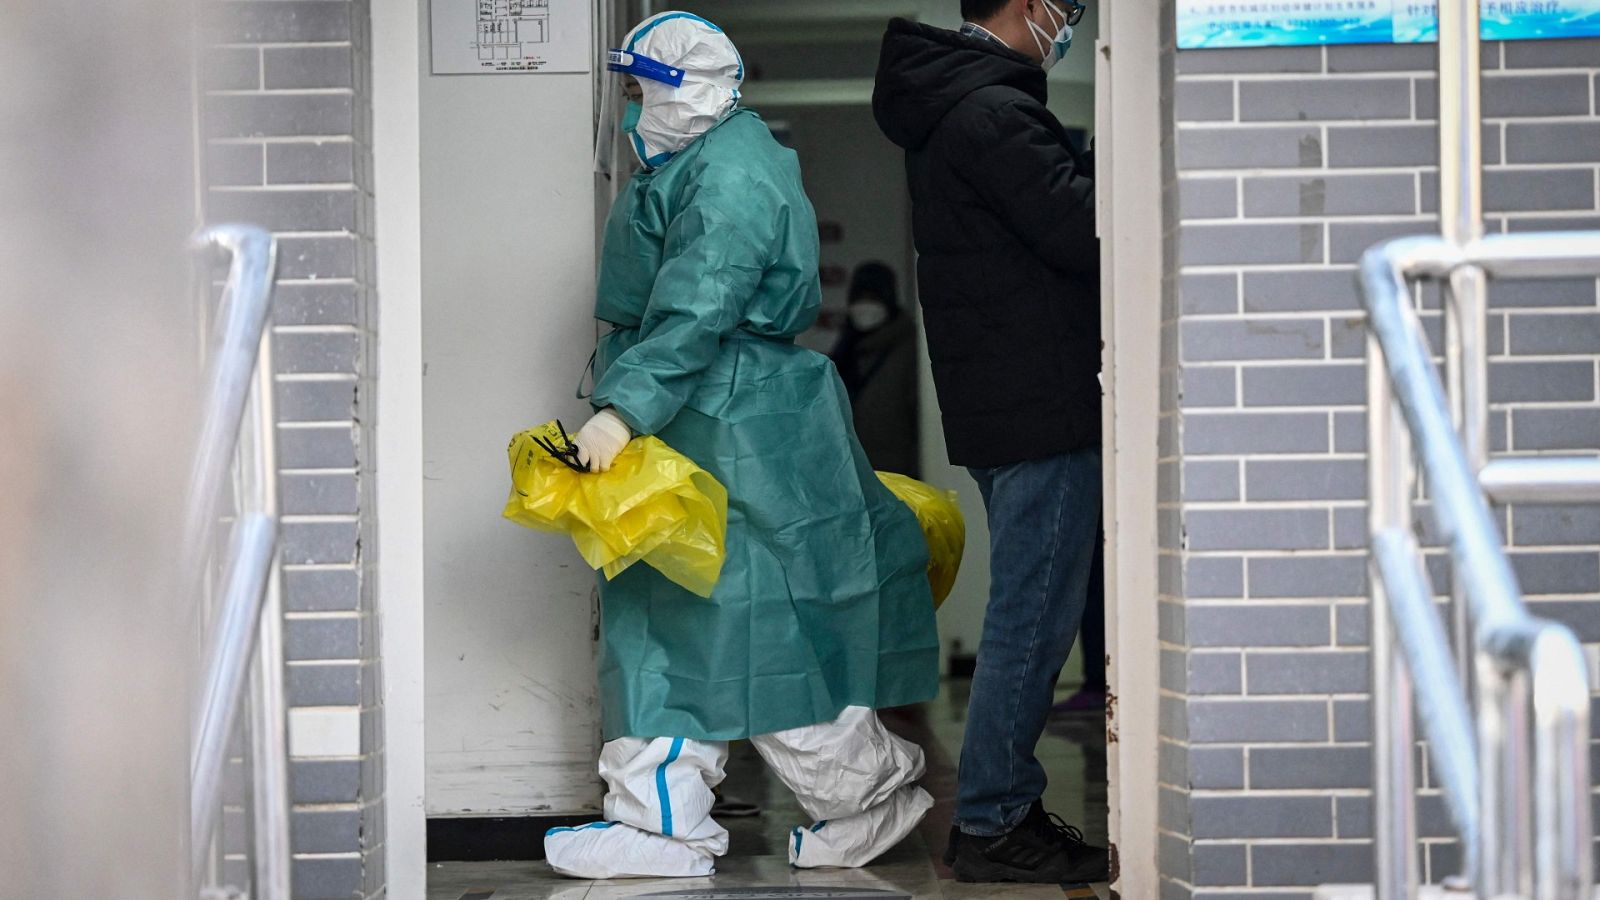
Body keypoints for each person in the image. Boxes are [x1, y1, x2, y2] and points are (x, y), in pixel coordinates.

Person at [543, 11, 942, 880]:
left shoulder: (729, 174)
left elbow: (702, 299)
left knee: (727, 628)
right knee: (709, 627)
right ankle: (682, 815)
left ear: (687, 89)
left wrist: (623, 410)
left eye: (642, 89)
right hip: (717, 415)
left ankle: (812, 801)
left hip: (719, 415)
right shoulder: (716, 160)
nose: (631, 108)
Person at [873, 0, 1109, 885]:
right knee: (1032, 615)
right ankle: (995, 819)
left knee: (1031, 610)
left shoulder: (964, 104)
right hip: (1037, 402)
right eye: (1065, 8)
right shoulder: (995, 111)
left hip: (1009, 396)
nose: (1070, 20)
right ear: (1022, 7)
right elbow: (1084, 230)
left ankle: (997, 809)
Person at [829, 262, 920, 477]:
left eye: (873, 299)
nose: (865, 307)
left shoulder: (908, 352)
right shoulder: (845, 350)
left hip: (896, 477)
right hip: (849, 475)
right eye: (859, 298)